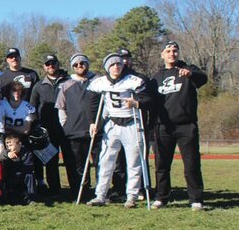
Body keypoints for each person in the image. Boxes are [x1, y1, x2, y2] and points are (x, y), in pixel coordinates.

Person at [86, 53, 152, 208]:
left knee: (133, 162)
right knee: (105, 161)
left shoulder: (134, 81)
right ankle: (100, 195)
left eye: (118, 64)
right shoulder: (99, 83)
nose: (116, 67)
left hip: (131, 123)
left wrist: (136, 102)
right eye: (112, 64)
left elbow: (148, 99)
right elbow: (93, 104)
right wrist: (92, 122)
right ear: (107, 67)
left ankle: (132, 196)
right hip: (112, 124)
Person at [151, 41, 207, 210]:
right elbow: (150, 102)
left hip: (186, 126)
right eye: (168, 51)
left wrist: (190, 74)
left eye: (175, 51)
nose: (172, 54)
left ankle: (196, 199)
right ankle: (162, 197)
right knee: (161, 165)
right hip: (163, 127)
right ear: (162, 54)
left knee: (191, 164)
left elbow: (203, 78)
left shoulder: (189, 70)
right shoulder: (156, 77)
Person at [55, 54, 97, 200]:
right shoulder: (67, 85)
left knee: (99, 163)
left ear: (87, 64)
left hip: (95, 130)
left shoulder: (97, 82)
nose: (79, 66)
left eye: (82, 63)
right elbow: (61, 108)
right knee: (76, 165)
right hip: (73, 131)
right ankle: (78, 192)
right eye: (76, 64)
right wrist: (66, 125)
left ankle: (100, 193)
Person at [29, 54, 68, 196]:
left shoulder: (68, 82)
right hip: (46, 129)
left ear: (58, 64)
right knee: (50, 160)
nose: (50, 66)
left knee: (69, 160)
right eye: (48, 64)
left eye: (53, 63)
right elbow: (32, 107)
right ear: (44, 67)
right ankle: (52, 189)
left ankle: (75, 189)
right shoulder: (39, 86)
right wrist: (36, 126)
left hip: (66, 127)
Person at [0, 133, 37, 205]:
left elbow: (29, 166)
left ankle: (31, 197)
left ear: (19, 144)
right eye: (7, 145)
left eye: (11, 145)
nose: (9, 147)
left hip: (23, 175)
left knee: (30, 175)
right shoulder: (5, 153)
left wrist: (18, 161)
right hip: (10, 177)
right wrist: (7, 156)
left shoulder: (27, 153)